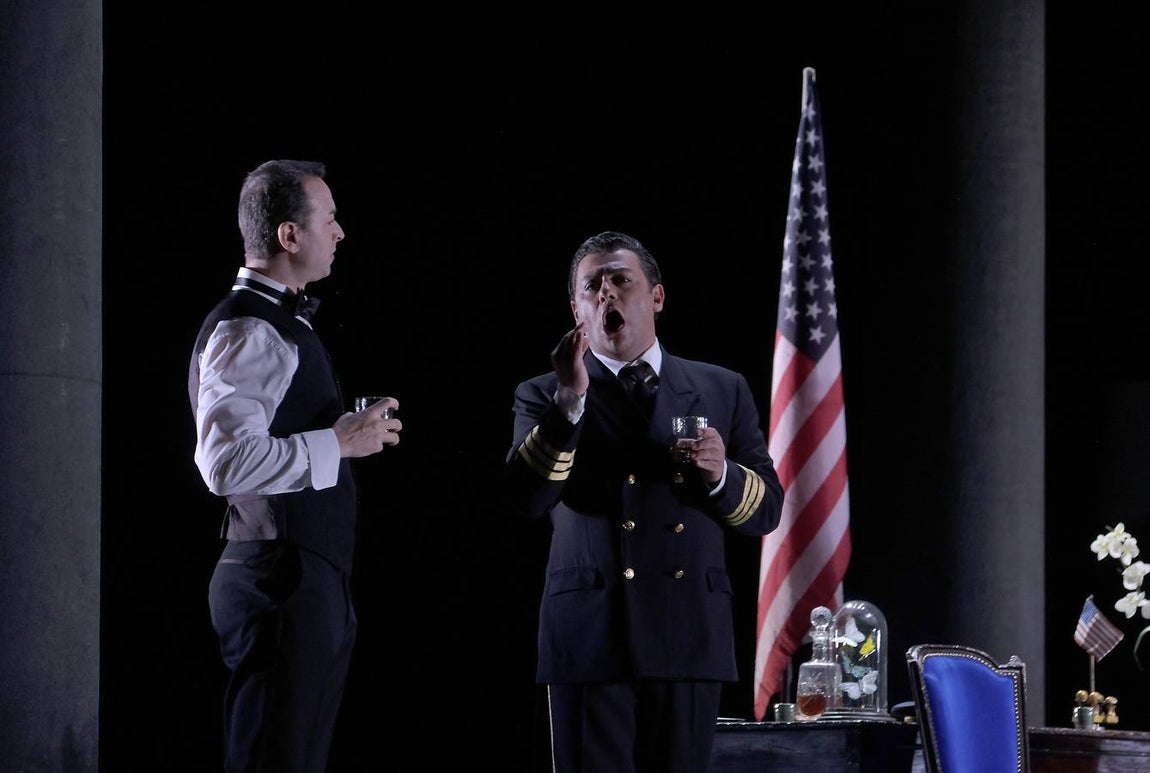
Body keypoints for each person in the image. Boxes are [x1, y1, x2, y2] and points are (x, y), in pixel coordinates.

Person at [503, 230, 785, 772]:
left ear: (656, 297)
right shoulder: (542, 392)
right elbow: (528, 499)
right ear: (577, 311)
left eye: (620, 280)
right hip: (590, 636)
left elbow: (767, 511)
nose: (606, 293)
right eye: (592, 286)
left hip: (688, 633)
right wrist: (569, 400)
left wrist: (721, 475)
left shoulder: (721, 388)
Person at [188, 159, 402, 773]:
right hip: (279, 580)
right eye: (329, 219)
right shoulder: (251, 327)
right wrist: (338, 443)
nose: (340, 232)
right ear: (289, 235)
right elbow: (224, 462)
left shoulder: (275, 321)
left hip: (301, 580)